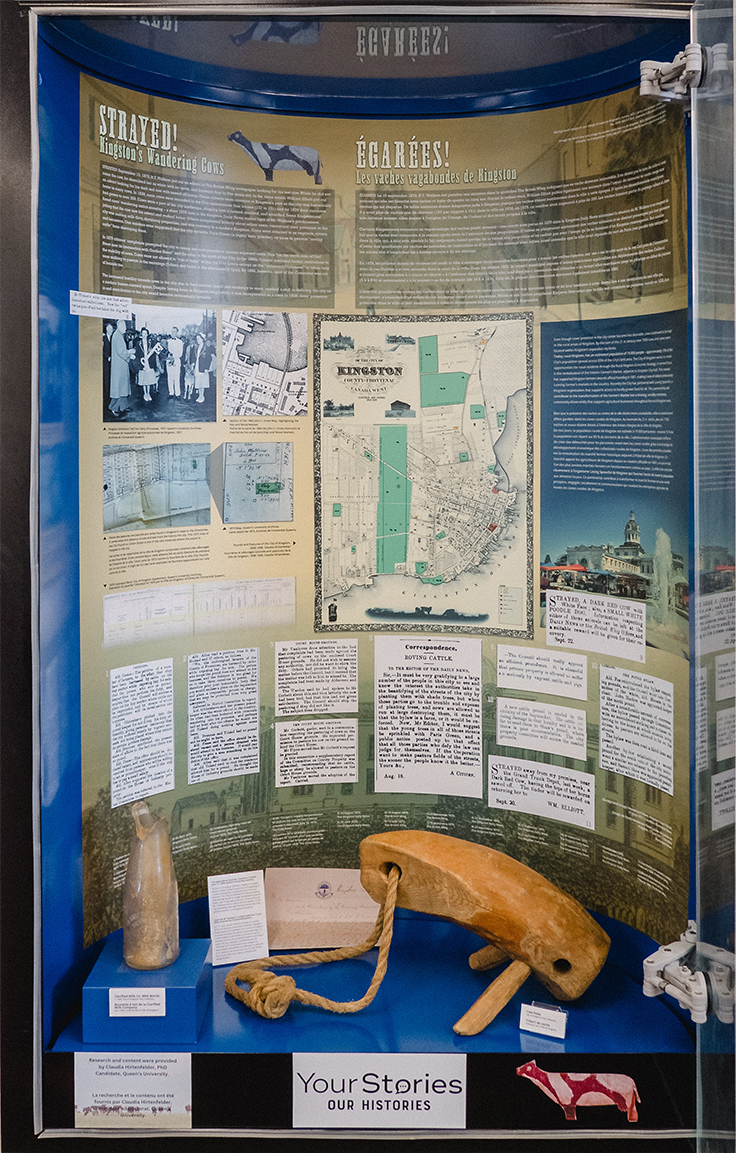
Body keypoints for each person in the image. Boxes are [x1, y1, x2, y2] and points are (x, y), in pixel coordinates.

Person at [108, 319, 133, 418]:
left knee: (122, 388)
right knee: (118, 389)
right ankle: (113, 408)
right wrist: (130, 353)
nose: (126, 328)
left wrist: (128, 353)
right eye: (125, 326)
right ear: (120, 326)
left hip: (121, 366)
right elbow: (121, 352)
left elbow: (121, 350)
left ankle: (123, 406)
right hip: (119, 367)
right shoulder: (117, 336)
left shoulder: (118, 335)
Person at [194, 332, 216, 403]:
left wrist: (206, 368)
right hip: (197, 366)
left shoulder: (206, 348)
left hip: (203, 367)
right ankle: (199, 396)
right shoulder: (197, 347)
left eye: (198, 339)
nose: (197, 340)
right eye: (197, 339)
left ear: (202, 339)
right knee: (198, 382)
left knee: (202, 382)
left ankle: (202, 396)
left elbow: (208, 359)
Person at [137, 327, 157, 402]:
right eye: (143, 333)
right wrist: (140, 363)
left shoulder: (151, 342)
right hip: (142, 363)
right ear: (141, 334)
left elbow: (154, 352)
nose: (144, 335)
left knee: (148, 379)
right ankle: (145, 393)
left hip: (149, 363)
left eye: (146, 333)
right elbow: (137, 354)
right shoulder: (138, 343)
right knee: (143, 379)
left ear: (147, 334)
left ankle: (148, 393)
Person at [166, 326, 183, 397]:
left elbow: (180, 353)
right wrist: (169, 357)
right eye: (172, 332)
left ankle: (177, 393)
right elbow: (165, 352)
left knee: (176, 377)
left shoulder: (180, 342)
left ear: (177, 333)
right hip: (169, 361)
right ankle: (171, 392)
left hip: (176, 361)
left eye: (175, 332)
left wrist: (173, 357)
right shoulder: (167, 341)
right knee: (170, 377)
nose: (173, 333)